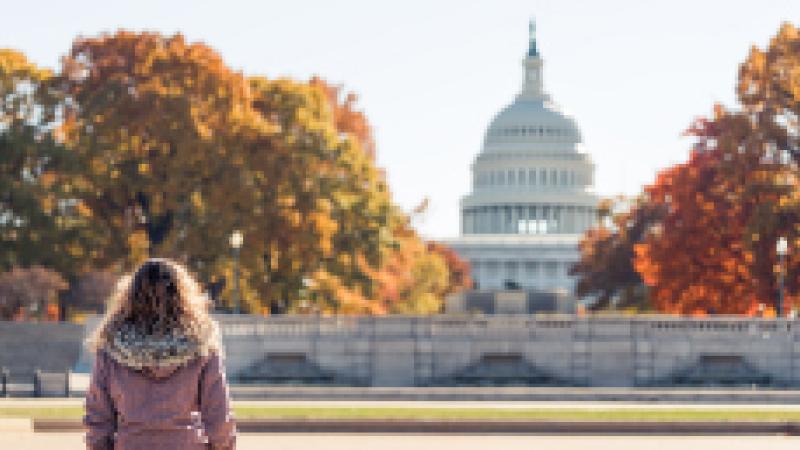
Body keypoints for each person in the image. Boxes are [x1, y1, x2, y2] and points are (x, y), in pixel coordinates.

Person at [83, 258, 236, 450]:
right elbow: (219, 414)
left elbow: (98, 417)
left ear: (130, 296)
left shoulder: (111, 348)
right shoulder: (201, 346)